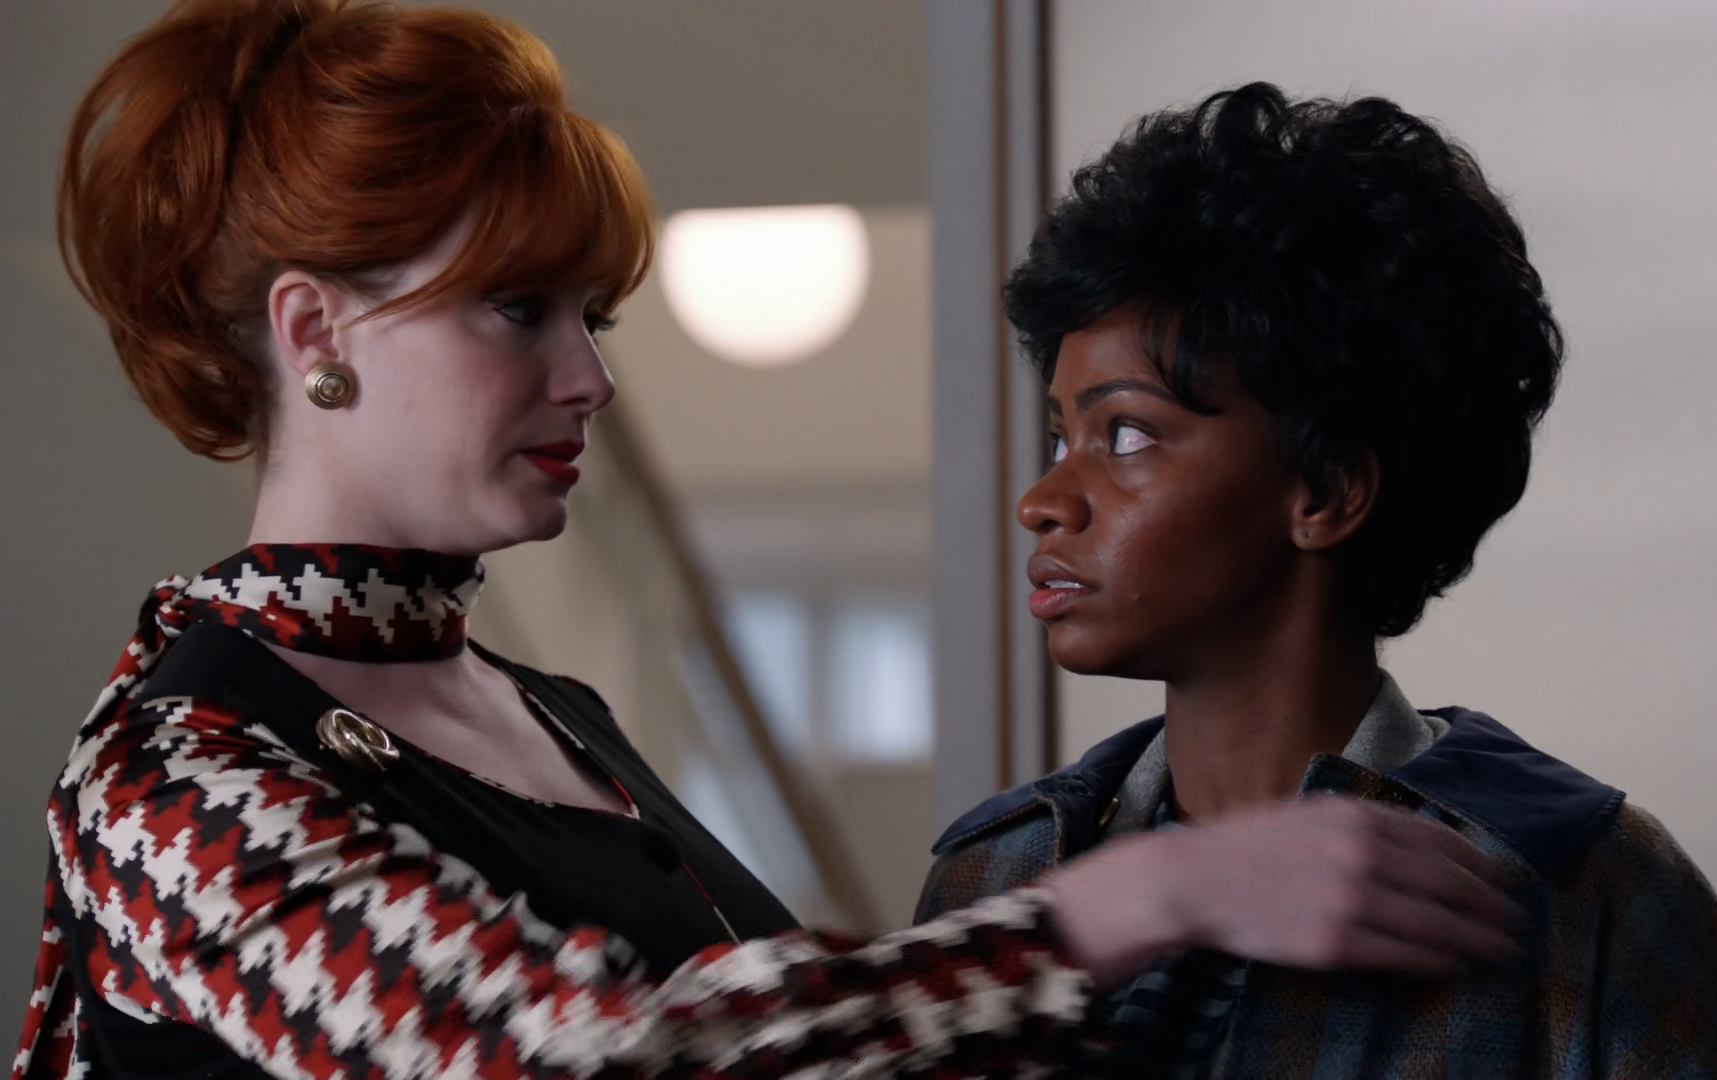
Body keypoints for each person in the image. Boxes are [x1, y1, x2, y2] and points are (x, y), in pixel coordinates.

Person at [12, 5, 1524, 1077]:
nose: (589, 377)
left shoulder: (553, 717)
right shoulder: (170, 774)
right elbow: (584, 1062)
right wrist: (1135, 907)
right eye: (516, 309)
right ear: (313, 331)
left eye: (592, 317)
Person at [916, 83, 1717, 1078]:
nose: (1041, 501)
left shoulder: (1585, 887)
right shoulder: (999, 872)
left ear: (1325, 491)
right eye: (1059, 437)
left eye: (1125, 434)